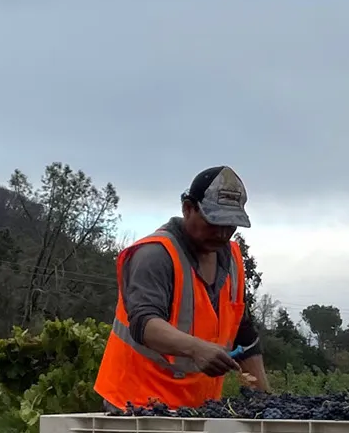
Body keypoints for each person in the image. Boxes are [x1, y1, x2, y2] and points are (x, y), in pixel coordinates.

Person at [94, 165, 270, 412]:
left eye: (230, 225)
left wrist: (265, 400)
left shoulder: (231, 261)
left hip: (197, 410)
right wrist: (196, 349)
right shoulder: (155, 255)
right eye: (213, 222)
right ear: (188, 209)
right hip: (136, 407)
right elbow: (144, 323)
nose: (221, 233)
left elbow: (243, 331)